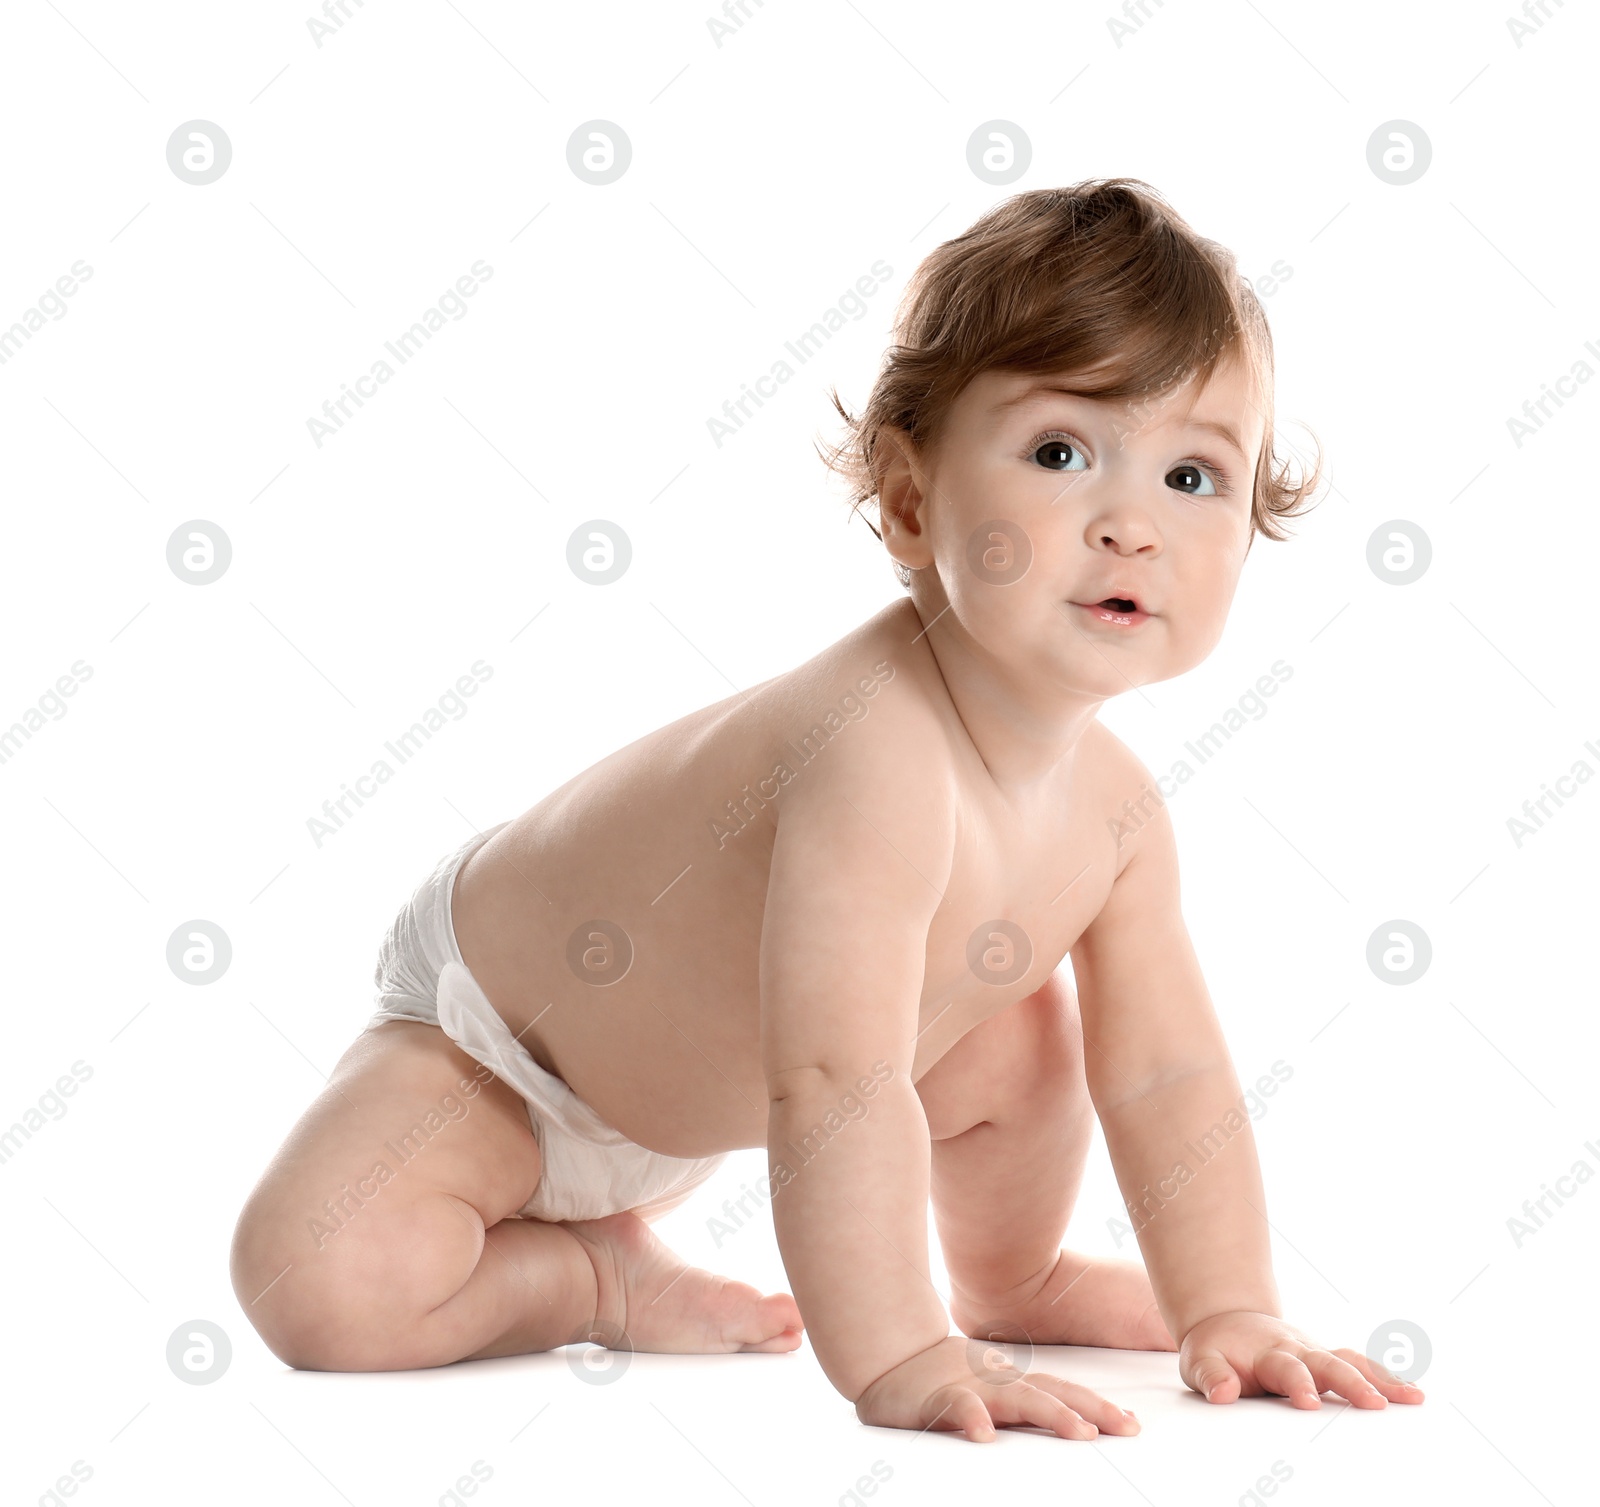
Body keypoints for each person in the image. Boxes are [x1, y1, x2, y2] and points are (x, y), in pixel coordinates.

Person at [230, 177, 1424, 1440]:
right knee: (317, 1284)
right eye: (1062, 453)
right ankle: (590, 1271)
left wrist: (1231, 1306)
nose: (1132, 525)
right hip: (513, 1047)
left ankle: (1013, 1275)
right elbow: (833, 1081)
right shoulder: (876, 755)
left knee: (1023, 1034)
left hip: (737, 1074)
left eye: (1194, 474)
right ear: (913, 503)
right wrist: (899, 1352)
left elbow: (1169, 1071)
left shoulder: (1117, 817)